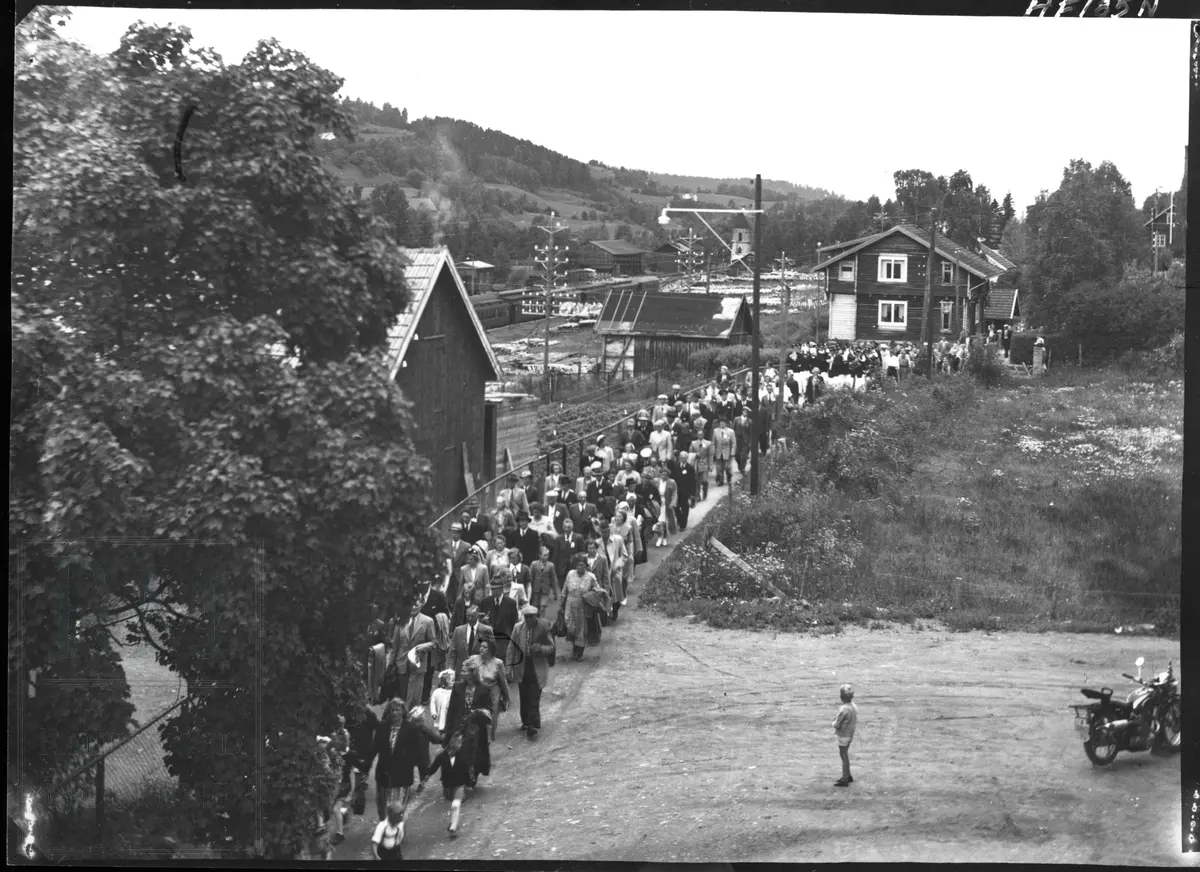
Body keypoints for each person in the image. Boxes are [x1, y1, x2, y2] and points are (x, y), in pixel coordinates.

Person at [370, 698, 432, 822]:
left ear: (403, 711)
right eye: (392, 710)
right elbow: (374, 748)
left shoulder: (411, 729)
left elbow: (419, 752)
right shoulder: (382, 727)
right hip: (384, 774)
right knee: (382, 807)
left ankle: (397, 833)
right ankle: (384, 830)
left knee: (398, 808)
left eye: (397, 710)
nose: (394, 713)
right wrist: (365, 766)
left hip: (402, 775)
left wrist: (424, 773)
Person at [504, 603, 556, 740]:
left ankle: (533, 724)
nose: (528, 620)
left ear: (536, 617)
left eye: (531, 617)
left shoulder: (544, 628)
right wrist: (508, 667)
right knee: (524, 695)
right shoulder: (518, 628)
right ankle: (526, 721)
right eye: (526, 617)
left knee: (534, 695)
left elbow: (551, 647)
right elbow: (511, 648)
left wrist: (540, 648)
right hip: (523, 666)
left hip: (537, 667)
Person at [388, 599, 437, 710]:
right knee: (402, 698)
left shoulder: (428, 621)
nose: (413, 607)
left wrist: (424, 647)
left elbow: (434, 643)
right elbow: (394, 647)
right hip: (402, 665)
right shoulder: (401, 621)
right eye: (412, 604)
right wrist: (390, 665)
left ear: (421, 605)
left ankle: (411, 721)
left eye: (416, 605)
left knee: (414, 699)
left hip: (417, 665)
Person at [462, 637, 510, 742]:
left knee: (491, 718)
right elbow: (465, 671)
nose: (481, 648)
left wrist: (507, 697)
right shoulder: (473, 658)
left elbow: (503, 682)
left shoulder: (498, 663)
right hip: (476, 692)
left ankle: (488, 740)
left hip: (492, 692)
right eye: (481, 646)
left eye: (485, 647)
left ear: (491, 649)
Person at [560, 554, 599, 662]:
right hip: (570, 604)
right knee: (570, 626)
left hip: (583, 606)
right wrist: (561, 605)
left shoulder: (591, 577)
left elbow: (597, 590)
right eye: (577, 565)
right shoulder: (570, 574)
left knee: (581, 629)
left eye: (581, 565)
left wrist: (591, 597)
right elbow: (564, 590)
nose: (579, 568)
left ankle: (579, 651)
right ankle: (574, 646)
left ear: (586, 566)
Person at [480, 573, 519, 664]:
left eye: (495, 589)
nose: (493, 591)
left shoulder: (511, 603)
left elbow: (514, 623)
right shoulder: (485, 602)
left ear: (501, 589)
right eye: (492, 589)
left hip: (504, 640)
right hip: (488, 640)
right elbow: (480, 622)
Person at [450, 604, 494, 677]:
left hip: (480, 673)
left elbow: (492, 651)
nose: (470, 618)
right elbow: (452, 652)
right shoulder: (458, 631)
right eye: (468, 616)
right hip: (461, 672)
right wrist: (450, 669)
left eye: (473, 616)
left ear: (478, 615)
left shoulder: (487, 630)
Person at [452, 546, 489, 628]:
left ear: (476, 559)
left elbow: (486, 585)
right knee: (469, 616)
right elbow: (461, 585)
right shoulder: (464, 569)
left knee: (478, 615)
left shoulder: (483, 568)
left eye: (471, 559)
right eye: (468, 558)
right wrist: (459, 598)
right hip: (468, 596)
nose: (469, 561)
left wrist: (487, 598)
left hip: (480, 596)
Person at [833, 683, 858, 787]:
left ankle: (845, 778)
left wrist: (833, 722)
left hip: (843, 735)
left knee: (843, 756)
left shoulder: (843, 709)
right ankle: (847, 775)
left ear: (842, 697)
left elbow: (837, 724)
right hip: (850, 733)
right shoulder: (853, 706)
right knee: (845, 755)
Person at [529, 544, 560, 613]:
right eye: (544, 555)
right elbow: (530, 577)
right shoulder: (534, 564)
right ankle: (536, 621)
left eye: (547, 555)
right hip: (535, 589)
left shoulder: (550, 565)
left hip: (545, 589)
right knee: (535, 606)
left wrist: (555, 591)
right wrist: (529, 588)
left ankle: (542, 622)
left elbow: (553, 578)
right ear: (539, 555)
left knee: (543, 606)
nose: (546, 557)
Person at [429, 668, 456, 735]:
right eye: (451, 681)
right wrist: (433, 712)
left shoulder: (453, 693)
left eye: (453, 680)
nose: (453, 682)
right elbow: (433, 703)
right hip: (439, 713)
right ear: (444, 682)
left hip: (448, 715)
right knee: (440, 726)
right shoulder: (437, 692)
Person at [674, 452, 697, 531]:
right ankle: (680, 520)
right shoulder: (675, 467)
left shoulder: (690, 468)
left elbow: (693, 482)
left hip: (686, 492)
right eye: (682, 458)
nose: (683, 459)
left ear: (687, 458)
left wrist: (692, 494)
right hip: (677, 492)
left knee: (685, 509)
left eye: (685, 458)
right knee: (676, 508)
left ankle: (683, 525)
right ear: (679, 458)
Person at [712, 417, 735, 487]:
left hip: (727, 453)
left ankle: (729, 477)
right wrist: (713, 451)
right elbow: (713, 442)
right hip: (718, 452)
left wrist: (732, 451)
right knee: (719, 468)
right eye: (720, 423)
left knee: (727, 467)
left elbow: (734, 443)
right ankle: (720, 481)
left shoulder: (731, 431)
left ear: (726, 424)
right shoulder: (715, 431)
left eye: (723, 423)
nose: (721, 424)